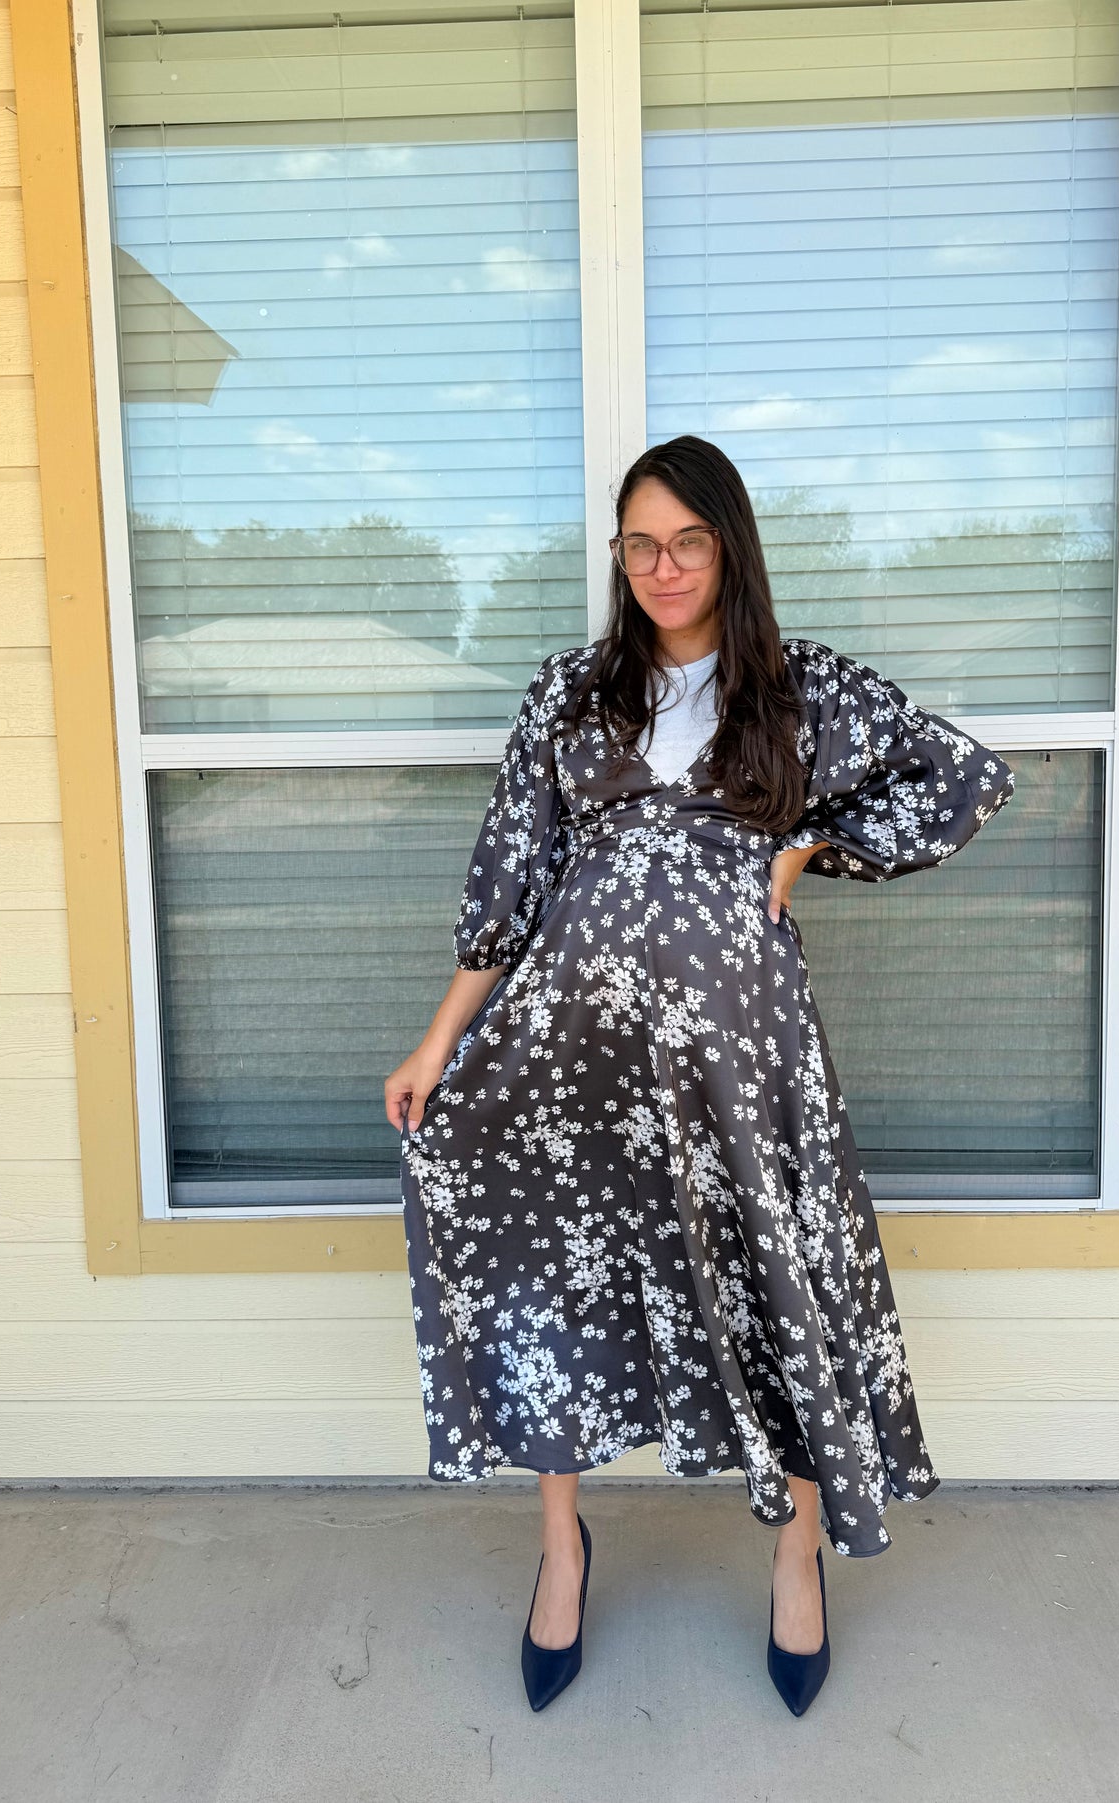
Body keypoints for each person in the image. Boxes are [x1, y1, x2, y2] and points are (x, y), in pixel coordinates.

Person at [385, 433, 1016, 1714]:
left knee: (769, 1278)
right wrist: (441, 1035)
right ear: (615, 557)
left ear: (727, 546)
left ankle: (796, 1550)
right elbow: (512, 874)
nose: (662, 566)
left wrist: (810, 848)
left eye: (686, 540)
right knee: (550, 1267)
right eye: (639, 543)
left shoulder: (797, 692)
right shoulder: (569, 694)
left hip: (745, 1059)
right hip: (570, 1066)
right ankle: (560, 1546)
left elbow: (961, 780)